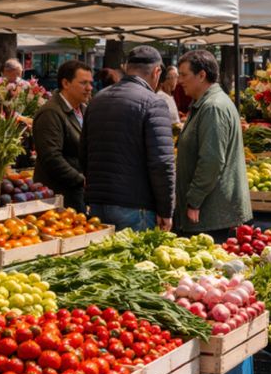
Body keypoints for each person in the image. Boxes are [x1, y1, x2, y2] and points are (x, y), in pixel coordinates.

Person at [80, 45, 175, 232]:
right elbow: (162, 163)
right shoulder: (154, 103)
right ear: (157, 72)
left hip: (99, 203)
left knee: (104, 260)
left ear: (126, 68)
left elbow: (84, 152)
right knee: (135, 260)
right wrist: (166, 210)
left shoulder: (98, 99)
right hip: (136, 205)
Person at [173, 50, 252, 241]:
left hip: (210, 215)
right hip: (210, 212)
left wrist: (194, 202)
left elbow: (212, 159)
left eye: (184, 75)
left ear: (201, 75)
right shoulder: (205, 104)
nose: (179, 81)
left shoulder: (213, 107)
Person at [32, 60, 94, 213]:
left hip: (76, 193)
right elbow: (51, 157)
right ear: (66, 83)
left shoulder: (84, 110)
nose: (89, 88)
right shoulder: (51, 113)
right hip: (58, 196)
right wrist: (81, 180)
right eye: (83, 83)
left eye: (90, 83)